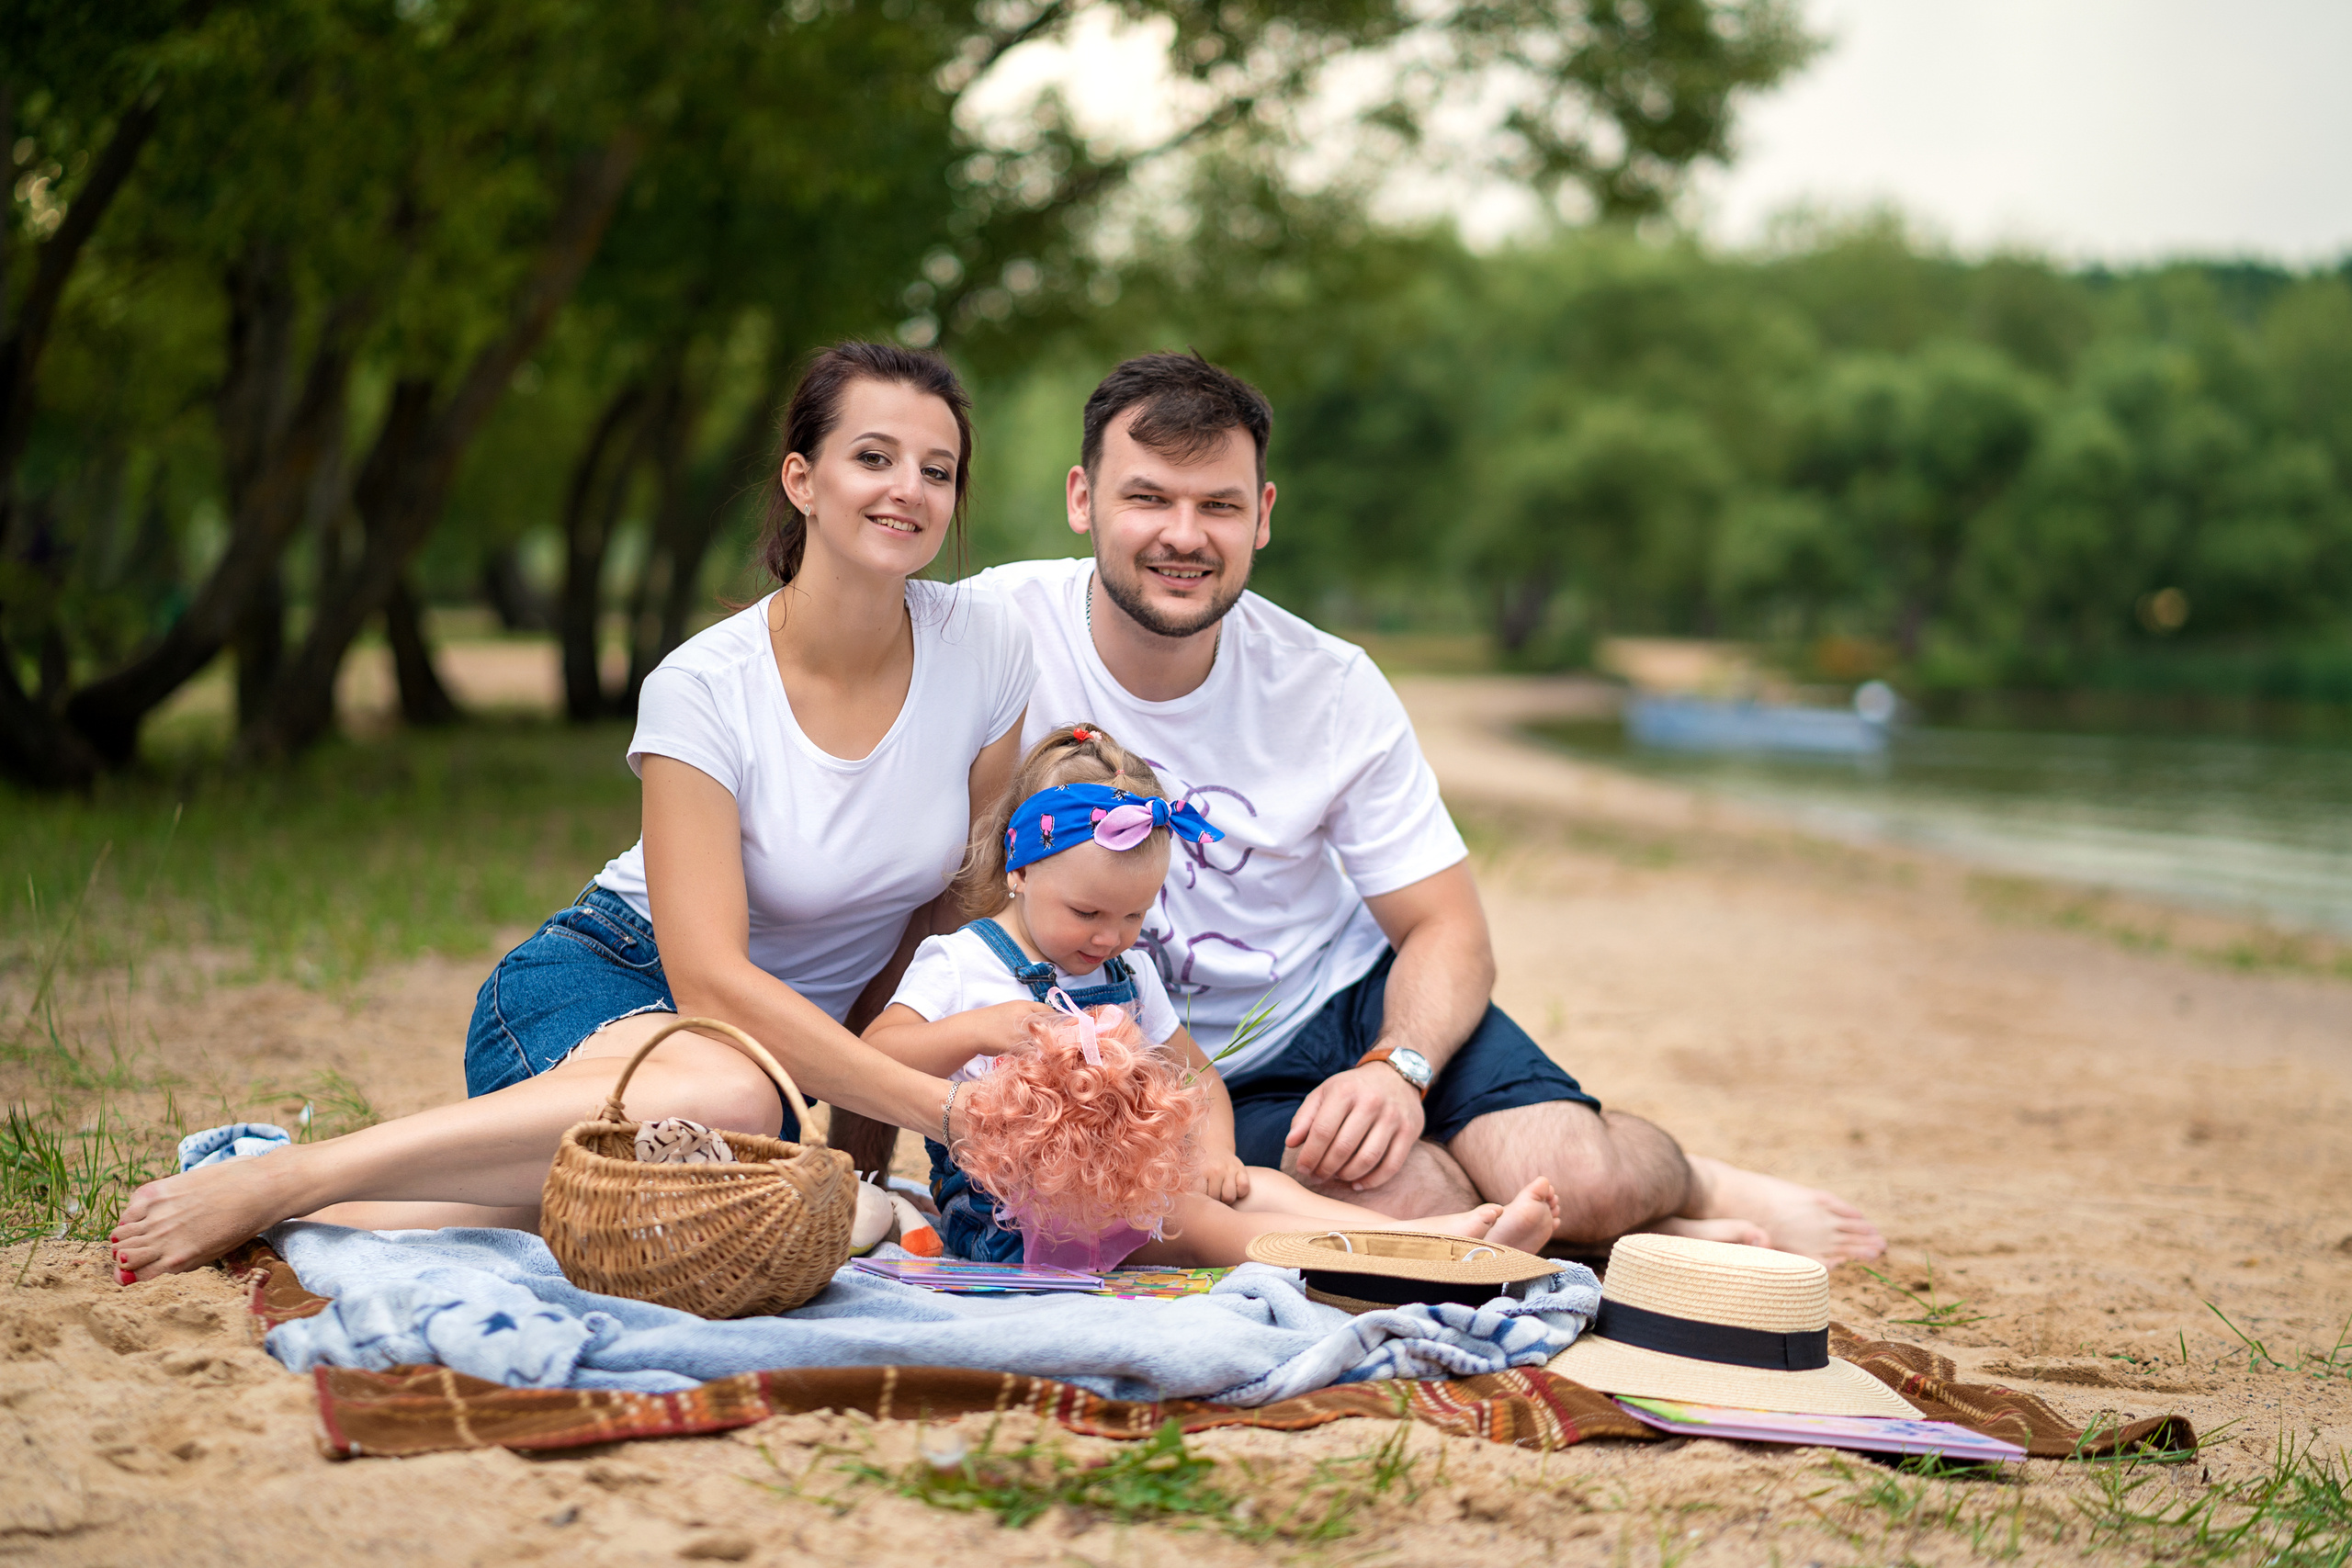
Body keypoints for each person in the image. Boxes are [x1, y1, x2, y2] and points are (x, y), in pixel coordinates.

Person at [109, 343, 1027, 1280]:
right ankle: (292, 1174)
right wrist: (940, 1109)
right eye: (873, 457)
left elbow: (929, 934)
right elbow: (710, 986)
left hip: (769, 1073)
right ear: (802, 480)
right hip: (607, 987)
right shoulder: (706, 685)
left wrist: (862, 1163)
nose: (908, 488)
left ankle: (308, 1207)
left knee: (568, 1199)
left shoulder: (984, 650)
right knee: (735, 1100)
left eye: (937, 470)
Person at [971, 353, 1884, 1265]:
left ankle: (1690, 1186)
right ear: (1082, 498)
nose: (1185, 534)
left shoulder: (1328, 684)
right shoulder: (992, 633)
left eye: (1219, 505)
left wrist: (1396, 1068)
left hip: (1348, 1000)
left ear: (1263, 516)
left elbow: (1448, 927)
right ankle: (1606, 1230)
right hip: (1193, 1073)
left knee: (1583, 1174)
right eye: (1148, 498)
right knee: (1419, 1206)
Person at [862, 722, 1562, 1269]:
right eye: (1087, 912)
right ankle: (1398, 1264)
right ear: (1020, 870)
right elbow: (876, 1053)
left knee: (1258, 1186)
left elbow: (1196, 1073)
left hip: (1121, 1186)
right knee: (1196, 1222)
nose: (1110, 936)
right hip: (1008, 1217)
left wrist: (1218, 1152)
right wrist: (981, 1028)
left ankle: (1433, 1237)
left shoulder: (1129, 972)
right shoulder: (962, 962)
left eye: (1134, 915)